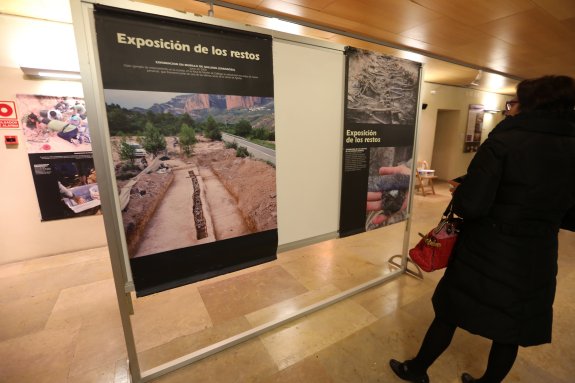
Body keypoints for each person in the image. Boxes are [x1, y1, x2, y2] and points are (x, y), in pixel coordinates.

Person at [389, 75, 575, 383]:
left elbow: (471, 205)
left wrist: (461, 192)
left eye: (513, 103)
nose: (509, 109)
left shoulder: (505, 140)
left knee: (450, 312)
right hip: (537, 254)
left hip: (488, 249)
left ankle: (417, 369)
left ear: (531, 105)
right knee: (510, 329)